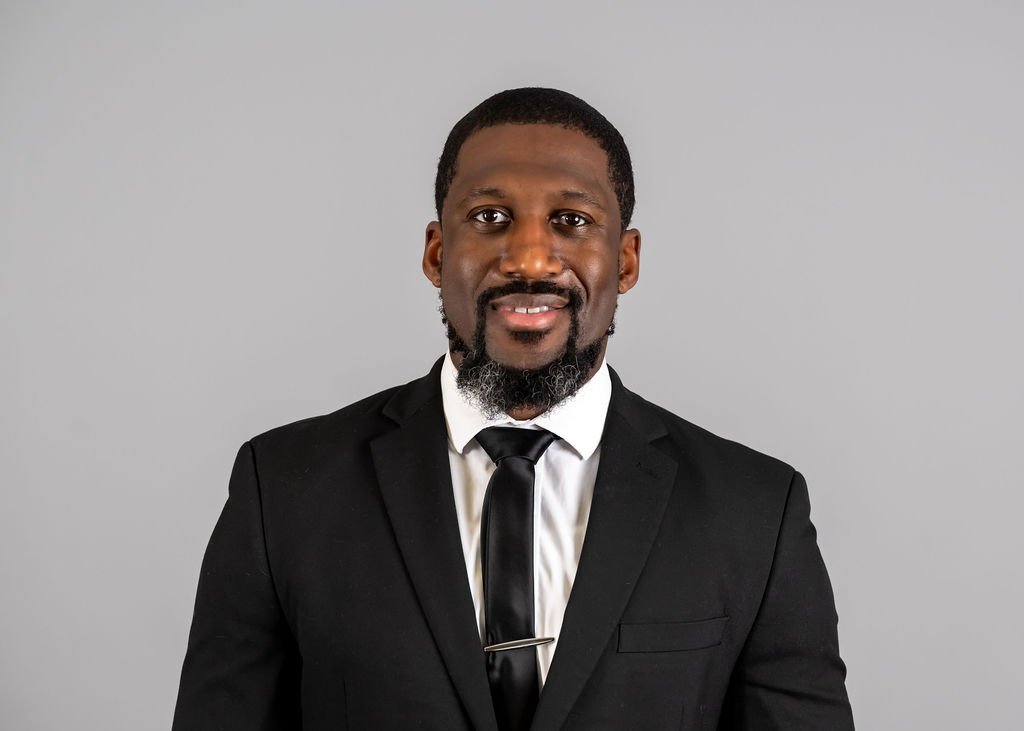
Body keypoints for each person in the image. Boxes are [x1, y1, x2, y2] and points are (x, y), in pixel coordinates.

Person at [172, 87, 854, 730]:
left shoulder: (756, 512)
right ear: (438, 252)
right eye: (490, 217)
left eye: (571, 220)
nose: (530, 256)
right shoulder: (283, 489)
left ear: (626, 260)